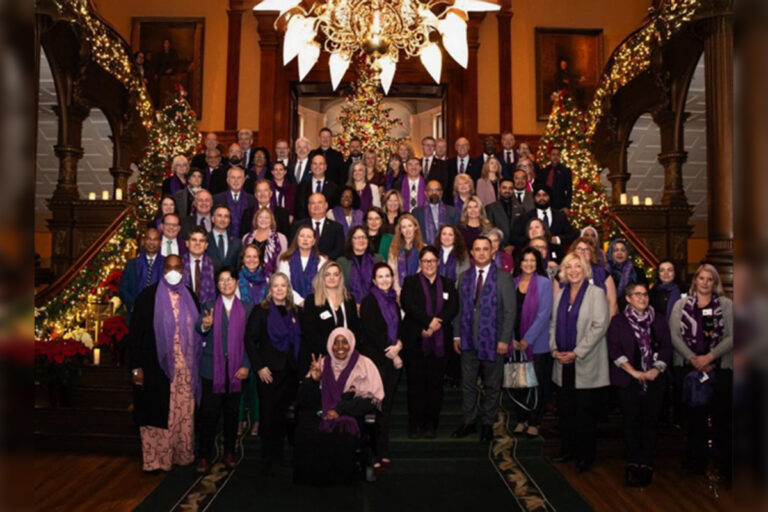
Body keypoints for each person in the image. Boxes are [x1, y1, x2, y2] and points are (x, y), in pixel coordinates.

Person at [127, 255, 201, 472]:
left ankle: (181, 456)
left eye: (177, 267)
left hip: (185, 371)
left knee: (183, 414)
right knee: (156, 415)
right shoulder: (147, 297)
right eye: (169, 267)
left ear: (183, 270)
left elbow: (198, 331)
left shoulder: (190, 297)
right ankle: (156, 461)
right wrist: (136, 367)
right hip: (155, 368)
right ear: (163, 270)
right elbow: (135, 336)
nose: (173, 271)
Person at [293, 327, 384, 484]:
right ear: (330, 345)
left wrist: (340, 409)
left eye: (345, 342)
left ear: (352, 343)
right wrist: (313, 380)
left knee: (343, 430)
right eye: (336, 343)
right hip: (323, 411)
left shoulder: (364, 364)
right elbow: (305, 399)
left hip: (351, 412)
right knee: (306, 430)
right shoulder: (322, 363)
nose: (340, 347)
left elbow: (370, 401)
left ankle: (341, 480)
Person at [669, 263, 733, 479]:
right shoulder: (680, 305)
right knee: (694, 417)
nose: (705, 283)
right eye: (701, 278)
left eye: (709, 279)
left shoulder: (726, 305)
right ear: (695, 280)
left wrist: (710, 357)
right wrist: (693, 359)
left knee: (721, 417)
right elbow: (674, 336)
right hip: (689, 367)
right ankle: (696, 460)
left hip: (720, 366)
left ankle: (722, 463)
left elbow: (733, 336)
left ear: (715, 283)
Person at [607, 282, 672, 487]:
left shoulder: (658, 320)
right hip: (628, 379)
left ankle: (647, 463)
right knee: (631, 421)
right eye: (637, 294)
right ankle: (633, 462)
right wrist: (634, 372)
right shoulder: (618, 321)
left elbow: (666, 347)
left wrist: (656, 370)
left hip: (654, 379)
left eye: (645, 294)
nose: (642, 298)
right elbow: (614, 350)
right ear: (628, 299)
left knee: (650, 422)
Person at [550, 252, 609, 473]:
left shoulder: (596, 294)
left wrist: (576, 352)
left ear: (585, 269)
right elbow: (553, 324)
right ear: (564, 271)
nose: (573, 271)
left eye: (577, 266)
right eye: (569, 267)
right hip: (562, 362)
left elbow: (599, 326)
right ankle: (568, 451)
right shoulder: (560, 295)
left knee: (585, 414)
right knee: (566, 412)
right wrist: (554, 349)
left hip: (586, 361)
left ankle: (585, 457)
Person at [452, 237, 516, 442]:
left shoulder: (504, 277)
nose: (481, 253)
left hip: (494, 341)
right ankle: (469, 421)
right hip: (468, 339)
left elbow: (510, 311)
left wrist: (504, 339)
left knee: (492, 385)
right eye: (477, 249)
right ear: (472, 253)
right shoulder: (464, 277)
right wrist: (457, 334)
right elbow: (459, 309)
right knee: (468, 384)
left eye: (485, 249)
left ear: (492, 252)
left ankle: (488, 423)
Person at [196, 267, 252, 472]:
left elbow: (251, 341)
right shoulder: (209, 306)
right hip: (212, 370)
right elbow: (199, 328)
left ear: (236, 282)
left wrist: (246, 365)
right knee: (209, 415)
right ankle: (204, 456)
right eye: (221, 280)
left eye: (229, 279)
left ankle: (230, 452)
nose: (226, 283)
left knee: (231, 415)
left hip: (237, 370)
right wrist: (205, 325)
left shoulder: (247, 308)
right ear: (217, 285)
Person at [244, 273, 302, 474]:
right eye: (275, 286)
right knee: (268, 415)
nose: (279, 289)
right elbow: (249, 340)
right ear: (270, 289)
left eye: (283, 286)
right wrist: (259, 367)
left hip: (290, 373)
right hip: (268, 373)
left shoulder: (295, 311)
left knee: (285, 416)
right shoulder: (260, 311)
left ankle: (281, 455)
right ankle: (268, 458)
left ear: (288, 289)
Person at [400, 248, 459, 439]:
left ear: (438, 262)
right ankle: (415, 425)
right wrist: (426, 323)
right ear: (420, 263)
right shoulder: (410, 282)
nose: (429, 264)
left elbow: (453, 307)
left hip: (440, 343)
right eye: (425, 261)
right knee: (416, 386)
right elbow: (408, 305)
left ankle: (431, 425)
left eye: (432, 260)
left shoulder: (448, 284)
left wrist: (437, 323)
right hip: (416, 341)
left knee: (435, 386)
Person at [359, 262, 405, 465]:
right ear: (374, 280)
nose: (385, 280)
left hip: (391, 362)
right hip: (376, 361)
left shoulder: (393, 301)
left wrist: (399, 345)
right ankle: (371, 454)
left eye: (388, 276)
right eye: (380, 276)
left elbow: (399, 328)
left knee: (386, 409)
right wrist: (394, 355)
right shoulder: (369, 301)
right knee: (373, 409)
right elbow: (372, 333)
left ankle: (383, 451)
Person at [509, 247, 553, 438]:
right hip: (515, 342)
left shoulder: (545, 283)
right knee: (519, 383)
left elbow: (544, 314)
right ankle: (521, 420)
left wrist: (528, 339)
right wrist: (512, 338)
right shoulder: (512, 283)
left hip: (537, 343)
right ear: (520, 263)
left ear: (538, 263)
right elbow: (507, 313)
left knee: (536, 383)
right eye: (525, 260)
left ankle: (534, 421)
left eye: (532, 260)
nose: (528, 264)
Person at [301, 262, 361, 373]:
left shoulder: (349, 299)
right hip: (322, 357)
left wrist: (348, 351)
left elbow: (355, 328)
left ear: (340, 277)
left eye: (335, 274)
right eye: (327, 274)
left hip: (348, 356)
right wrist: (333, 351)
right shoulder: (312, 300)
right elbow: (310, 333)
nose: (332, 278)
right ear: (322, 278)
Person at [236, 245, 268, 437]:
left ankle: (257, 420)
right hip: (239, 335)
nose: (251, 260)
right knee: (239, 380)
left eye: (255, 256)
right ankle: (239, 420)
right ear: (242, 259)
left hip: (260, 337)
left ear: (260, 260)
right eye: (247, 256)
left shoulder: (267, 280)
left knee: (257, 384)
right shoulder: (236, 280)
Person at [511, 183, 578, 255]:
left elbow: (572, 234)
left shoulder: (560, 216)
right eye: (538, 195)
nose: (541, 198)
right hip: (532, 256)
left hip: (556, 256)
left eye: (545, 195)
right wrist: (531, 240)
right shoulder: (526, 217)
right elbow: (515, 237)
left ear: (549, 197)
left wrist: (557, 239)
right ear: (534, 198)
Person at [277, 225, 328, 306]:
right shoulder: (286, 259)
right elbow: (284, 284)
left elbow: (323, 285)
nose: (305, 239)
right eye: (302, 236)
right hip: (291, 304)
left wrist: (310, 302)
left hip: (316, 304)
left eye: (309, 237)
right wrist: (300, 302)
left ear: (314, 241)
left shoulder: (321, 260)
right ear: (297, 239)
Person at [120, 228, 165, 318]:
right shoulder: (131, 264)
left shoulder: (166, 263)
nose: (152, 243)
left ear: (160, 243)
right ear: (143, 241)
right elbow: (123, 290)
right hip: (135, 315)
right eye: (149, 239)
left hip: (160, 316)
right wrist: (135, 306)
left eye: (155, 239)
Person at [572, 237, 618, 317]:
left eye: (587, 249)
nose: (583, 251)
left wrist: (608, 323)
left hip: (600, 319)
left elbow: (612, 303)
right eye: (579, 248)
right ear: (573, 252)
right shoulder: (563, 273)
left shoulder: (603, 274)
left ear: (591, 253)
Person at [291, 192, 346, 260]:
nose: (316, 206)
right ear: (308, 207)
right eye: (313, 203)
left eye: (320, 202)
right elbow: (292, 246)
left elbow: (339, 249)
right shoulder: (298, 225)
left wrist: (325, 259)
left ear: (326, 205)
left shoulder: (337, 227)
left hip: (328, 264)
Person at [337, 226, 383, 306]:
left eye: (364, 237)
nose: (361, 240)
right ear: (351, 241)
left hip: (376, 304)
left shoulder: (378, 259)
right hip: (350, 305)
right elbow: (339, 287)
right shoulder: (341, 262)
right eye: (357, 237)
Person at [412, 180, 460, 247]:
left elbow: (457, 235)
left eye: (437, 190)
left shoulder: (453, 211)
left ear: (441, 192)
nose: (434, 192)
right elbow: (415, 234)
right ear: (425, 193)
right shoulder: (417, 212)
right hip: (424, 249)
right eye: (430, 190)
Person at [241, 208, 287, 277]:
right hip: (249, 278)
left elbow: (283, 262)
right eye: (260, 217)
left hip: (272, 279)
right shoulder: (246, 238)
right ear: (256, 219)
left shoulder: (280, 238)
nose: (263, 220)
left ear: (271, 220)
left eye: (267, 218)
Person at [212, 167, 256, 239]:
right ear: (227, 180)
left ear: (243, 180)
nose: (236, 181)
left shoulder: (252, 200)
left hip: (246, 239)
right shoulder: (216, 199)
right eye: (233, 177)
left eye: (239, 178)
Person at [387, 213, 426, 294]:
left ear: (415, 227)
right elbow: (392, 270)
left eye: (410, 226)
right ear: (400, 230)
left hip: (418, 289)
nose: (407, 230)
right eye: (404, 227)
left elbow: (423, 270)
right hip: (398, 290)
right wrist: (397, 290)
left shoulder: (424, 248)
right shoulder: (394, 248)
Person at [607, 239, 648, 310]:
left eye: (623, 250)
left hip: (634, 310)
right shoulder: (606, 272)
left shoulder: (638, 272)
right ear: (611, 253)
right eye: (616, 250)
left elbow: (644, 293)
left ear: (627, 253)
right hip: (610, 310)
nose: (619, 253)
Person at [295, 154, 340, 220]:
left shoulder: (334, 187)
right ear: (311, 167)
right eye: (315, 164)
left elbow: (335, 208)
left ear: (325, 167)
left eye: (321, 164)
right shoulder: (302, 186)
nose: (317, 166)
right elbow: (299, 208)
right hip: (306, 222)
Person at [182, 227, 217, 304]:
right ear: (187, 243)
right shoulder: (179, 264)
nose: (197, 243)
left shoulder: (215, 265)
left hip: (208, 309)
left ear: (206, 245)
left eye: (201, 241)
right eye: (194, 240)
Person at [485, 178, 518, 254]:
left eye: (510, 188)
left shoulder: (520, 208)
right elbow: (490, 230)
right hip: (498, 249)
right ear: (499, 189)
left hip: (516, 249)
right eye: (504, 188)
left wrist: (514, 246)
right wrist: (503, 247)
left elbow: (521, 231)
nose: (507, 191)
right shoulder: (491, 208)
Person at [206, 205, 242, 273]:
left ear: (229, 220)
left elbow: (238, 267)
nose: (223, 219)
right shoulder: (204, 240)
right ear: (212, 219)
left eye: (226, 216)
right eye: (219, 216)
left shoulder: (237, 243)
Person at [537, 147, 572, 212]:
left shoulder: (565, 171)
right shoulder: (544, 171)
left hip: (559, 205)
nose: (555, 157)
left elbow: (569, 190)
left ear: (560, 157)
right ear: (549, 156)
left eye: (557, 155)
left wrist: (567, 206)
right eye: (553, 154)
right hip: (545, 203)